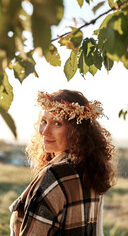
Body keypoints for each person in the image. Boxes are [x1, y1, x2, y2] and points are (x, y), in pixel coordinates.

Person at [9, 89, 117, 236]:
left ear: (76, 131)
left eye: (57, 123)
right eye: (44, 121)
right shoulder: (91, 172)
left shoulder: (54, 176)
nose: (44, 131)